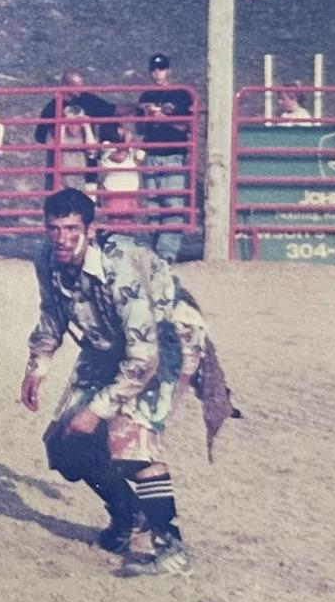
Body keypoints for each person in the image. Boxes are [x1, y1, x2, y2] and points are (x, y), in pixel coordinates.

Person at [21, 187, 222, 575]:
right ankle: (128, 518)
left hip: (166, 339)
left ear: (90, 229)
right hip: (109, 340)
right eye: (54, 228)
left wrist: (98, 410)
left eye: (71, 228)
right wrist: (37, 366)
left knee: (129, 441)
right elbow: (52, 314)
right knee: (66, 446)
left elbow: (144, 355)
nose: (62, 238)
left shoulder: (120, 266)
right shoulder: (46, 258)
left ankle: (170, 547)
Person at [134, 53, 194, 262]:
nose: (157, 73)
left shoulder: (181, 94)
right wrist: (145, 115)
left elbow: (186, 125)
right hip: (152, 153)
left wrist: (164, 118)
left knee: (172, 202)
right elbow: (139, 128)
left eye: (161, 69)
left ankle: (167, 252)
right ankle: (158, 249)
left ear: (168, 71)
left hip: (173, 154)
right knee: (153, 205)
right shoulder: (145, 97)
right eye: (154, 69)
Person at [32, 72, 116, 193]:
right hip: (61, 173)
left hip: (84, 172)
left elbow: (111, 110)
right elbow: (41, 137)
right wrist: (62, 127)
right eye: (77, 86)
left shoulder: (87, 101)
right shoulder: (52, 109)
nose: (81, 90)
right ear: (66, 86)